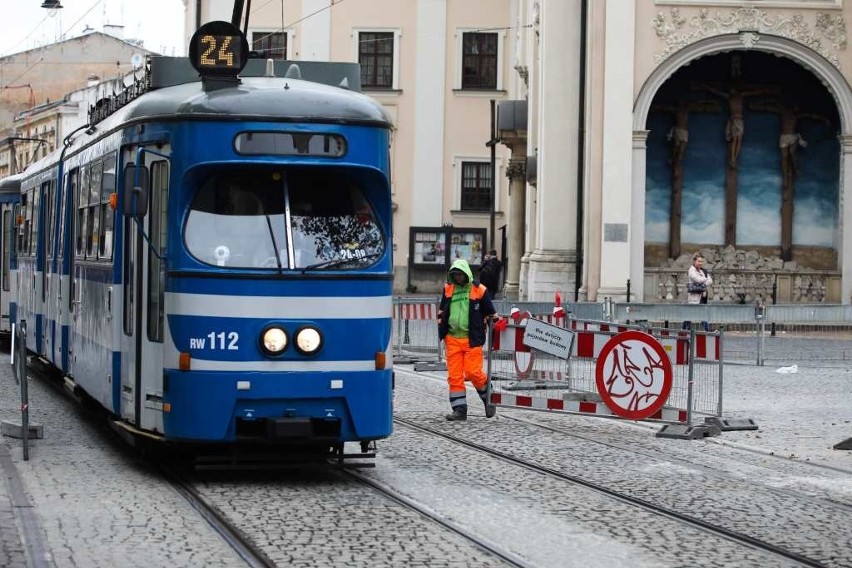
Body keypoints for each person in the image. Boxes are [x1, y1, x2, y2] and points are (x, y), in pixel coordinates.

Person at [437, 259, 500, 421]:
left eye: (460, 274)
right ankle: (459, 409)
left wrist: (494, 321)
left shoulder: (479, 290)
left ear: (466, 274)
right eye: (455, 274)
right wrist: (442, 329)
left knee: (473, 372)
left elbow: (491, 313)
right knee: (455, 376)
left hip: (472, 339)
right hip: (452, 339)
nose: (458, 277)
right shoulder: (448, 289)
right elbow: (442, 310)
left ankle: (489, 398)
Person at [683, 253, 712, 331]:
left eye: (702, 261)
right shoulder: (691, 270)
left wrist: (703, 280)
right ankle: (684, 329)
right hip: (694, 296)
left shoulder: (704, 271)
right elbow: (697, 279)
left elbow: (710, 280)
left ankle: (707, 329)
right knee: (691, 314)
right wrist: (705, 280)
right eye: (699, 261)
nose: (700, 263)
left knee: (702, 314)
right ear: (694, 261)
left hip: (703, 296)